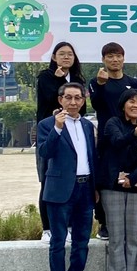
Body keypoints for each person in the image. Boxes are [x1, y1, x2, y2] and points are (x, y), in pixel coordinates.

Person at [36, 82, 99, 271]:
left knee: (82, 239)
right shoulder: (47, 124)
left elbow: (92, 157)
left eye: (77, 98)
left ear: (83, 100)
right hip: (60, 189)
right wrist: (57, 128)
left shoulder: (87, 125)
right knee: (58, 240)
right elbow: (45, 152)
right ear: (60, 100)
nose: (73, 102)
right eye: (68, 97)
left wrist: (95, 187)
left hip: (85, 187)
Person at [97, 89, 137, 271]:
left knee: (133, 237)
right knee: (116, 236)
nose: (136, 105)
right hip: (112, 185)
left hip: (136, 186)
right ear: (123, 105)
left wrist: (133, 177)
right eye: (131, 101)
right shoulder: (113, 123)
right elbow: (118, 143)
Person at [88, 42, 137, 241]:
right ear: (103, 59)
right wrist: (101, 85)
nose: (115, 60)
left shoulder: (132, 82)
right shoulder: (96, 82)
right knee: (106, 179)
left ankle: (128, 223)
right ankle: (104, 222)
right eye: (110, 56)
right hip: (107, 138)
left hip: (131, 136)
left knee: (129, 174)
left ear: (123, 58)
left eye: (118, 56)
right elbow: (96, 104)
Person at [35, 42, 86, 243]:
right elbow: (50, 100)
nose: (66, 57)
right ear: (54, 57)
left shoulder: (78, 79)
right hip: (51, 131)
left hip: (73, 133)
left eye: (70, 54)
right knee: (48, 180)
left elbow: (82, 109)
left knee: (73, 179)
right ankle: (47, 228)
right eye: (62, 54)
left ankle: (70, 226)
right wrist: (58, 80)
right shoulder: (45, 77)